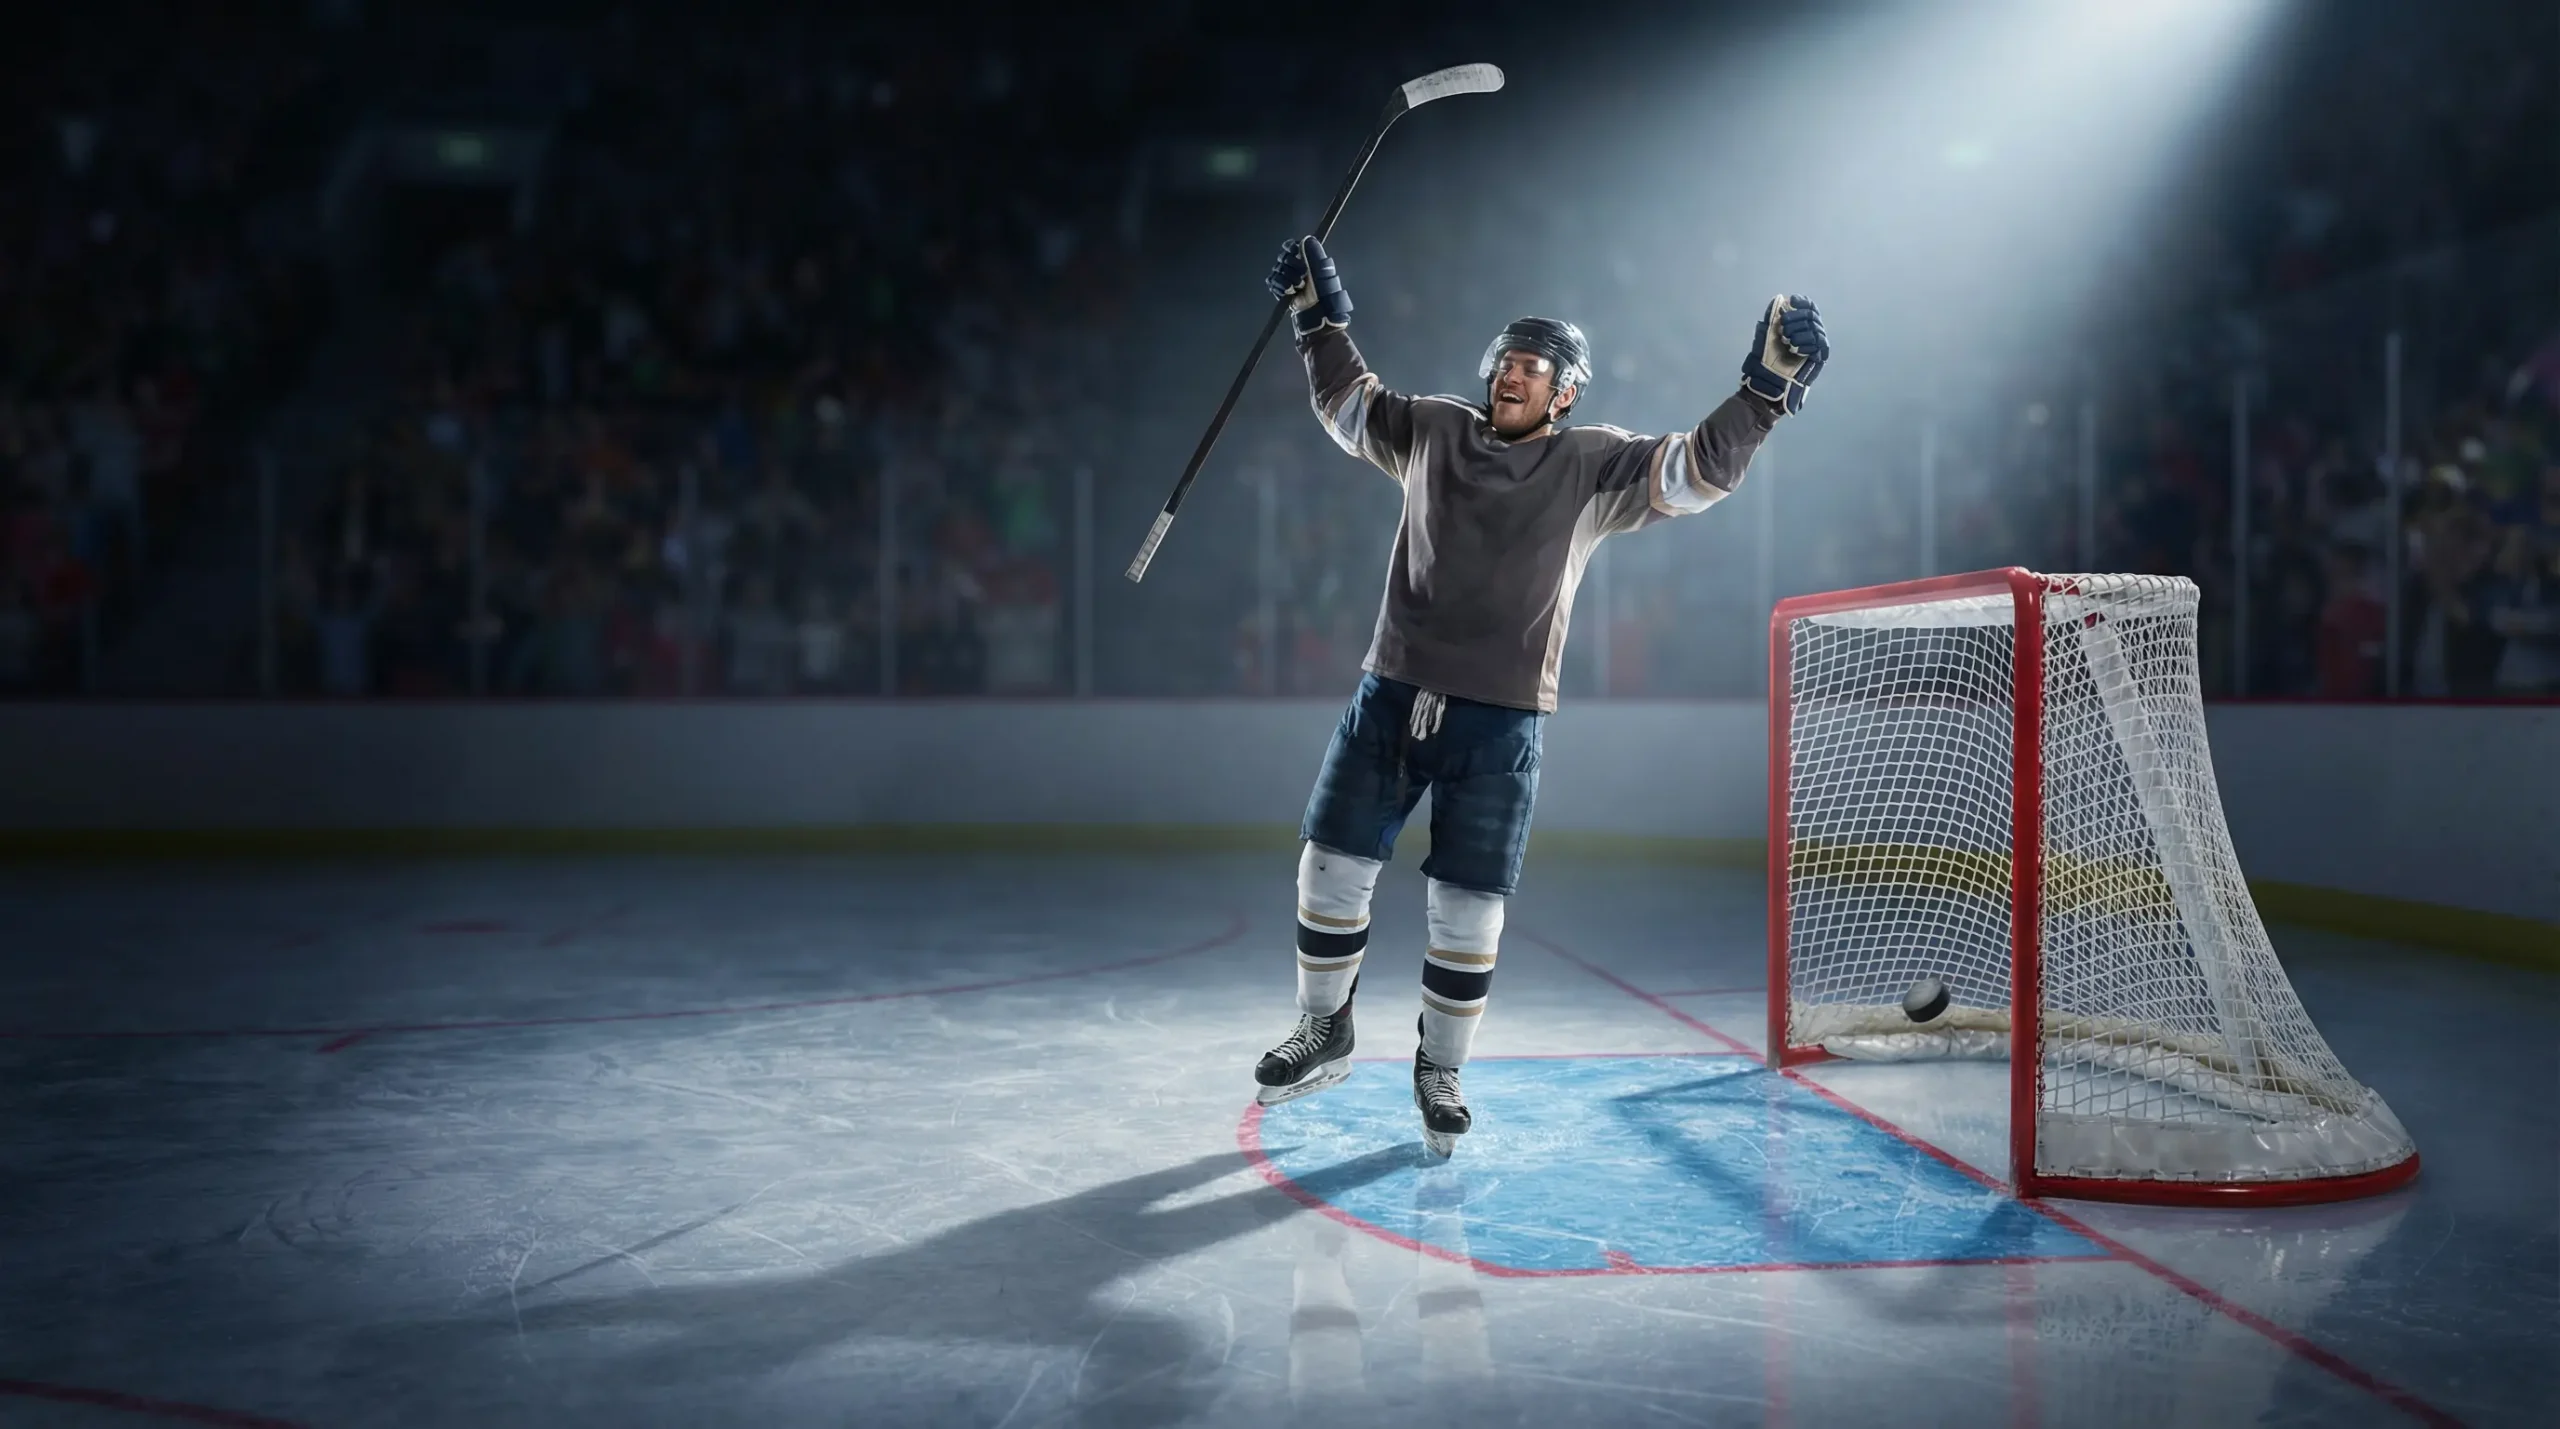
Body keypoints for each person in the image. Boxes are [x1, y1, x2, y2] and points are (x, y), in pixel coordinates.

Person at [1249, 235, 1829, 1154]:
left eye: (1535, 367)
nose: (1513, 375)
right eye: (1507, 362)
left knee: (1470, 908)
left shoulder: (1594, 464)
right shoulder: (1433, 429)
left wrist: (1765, 394)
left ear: (1566, 392)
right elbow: (1348, 405)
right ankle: (1326, 1031)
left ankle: (1439, 1070)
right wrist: (1316, 320)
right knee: (1329, 867)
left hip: (1503, 718)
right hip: (1390, 693)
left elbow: (1696, 470)